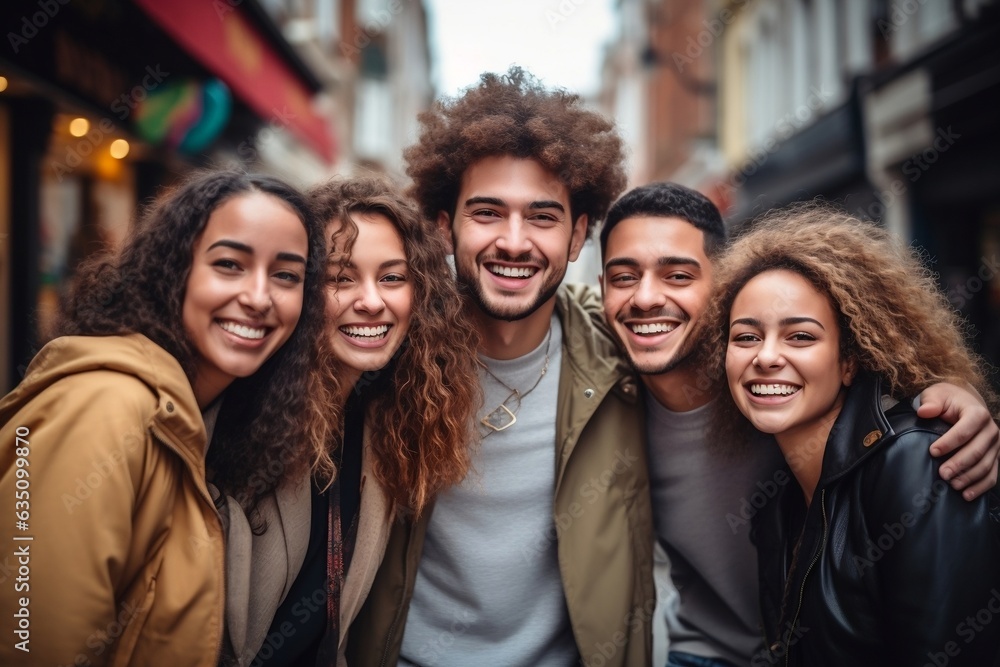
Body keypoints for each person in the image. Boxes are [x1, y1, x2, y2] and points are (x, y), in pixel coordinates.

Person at [597, 183, 1000, 667]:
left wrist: (950, 392)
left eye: (678, 275)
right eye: (747, 336)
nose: (646, 297)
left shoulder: (912, 458)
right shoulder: (608, 397)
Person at [350, 67, 656, 667]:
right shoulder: (385, 356)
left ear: (578, 236)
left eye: (543, 217)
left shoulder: (628, 359)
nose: (514, 242)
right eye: (487, 212)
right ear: (445, 227)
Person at [0, 169, 327, 667]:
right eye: (230, 265)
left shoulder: (207, 418)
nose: (259, 297)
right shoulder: (104, 407)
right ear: (174, 270)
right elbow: (28, 643)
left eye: (286, 275)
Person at [221, 176, 481, 667]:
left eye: (392, 277)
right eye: (341, 278)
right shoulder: (239, 415)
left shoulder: (385, 424)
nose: (372, 301)